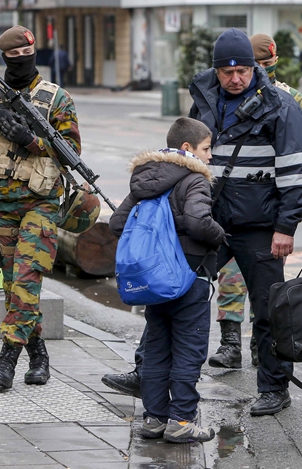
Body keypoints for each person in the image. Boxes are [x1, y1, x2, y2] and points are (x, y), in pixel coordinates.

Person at [190, 28, 302, 416]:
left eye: (242, 70)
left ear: (253, 68)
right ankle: (150, 369)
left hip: (260, 225)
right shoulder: (203, 100)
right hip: (210, 220)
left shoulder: (280, 105)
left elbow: (295, 173)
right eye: (227, 72)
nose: (236, 79)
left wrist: (286, 227)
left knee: (269, 308)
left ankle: (275, 388)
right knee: (176, 289)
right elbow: (190, 159)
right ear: (216, 71)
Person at [0, 25, 81, 389]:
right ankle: (38, 354)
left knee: (27, 276)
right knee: (15, 286)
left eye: (26, 56)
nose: (21, 62)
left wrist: (32, 140)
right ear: (3, 59)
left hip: (40, 204)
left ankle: (7, 358)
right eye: (13, 58)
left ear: (35, 53)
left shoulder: (57, 99)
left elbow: (71, 152)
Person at [109, 118, 225, 444]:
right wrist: (219, 237)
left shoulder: (145, 178)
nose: (210, 156)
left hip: (154, 282)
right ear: (187, 149)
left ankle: (154, 418)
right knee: (189, 349)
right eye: (206, 148)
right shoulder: (195, 180)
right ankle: (183, 421)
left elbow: (117, 223)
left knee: (158, 348)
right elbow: (200, 222)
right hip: (189, 276)